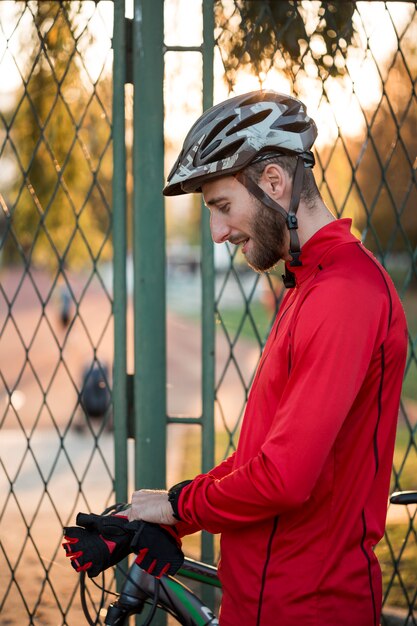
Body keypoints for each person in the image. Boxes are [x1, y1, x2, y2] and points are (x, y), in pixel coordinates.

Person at [127, 91, 408, 626]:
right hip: (263, 604)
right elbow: (263, 455)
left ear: (275, 183)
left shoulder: (344, 293)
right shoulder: (307, 285)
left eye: (223, 207)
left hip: (312, 610)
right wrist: (173, 508)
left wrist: (180, 507)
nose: (217, 233)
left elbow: (284, 478)